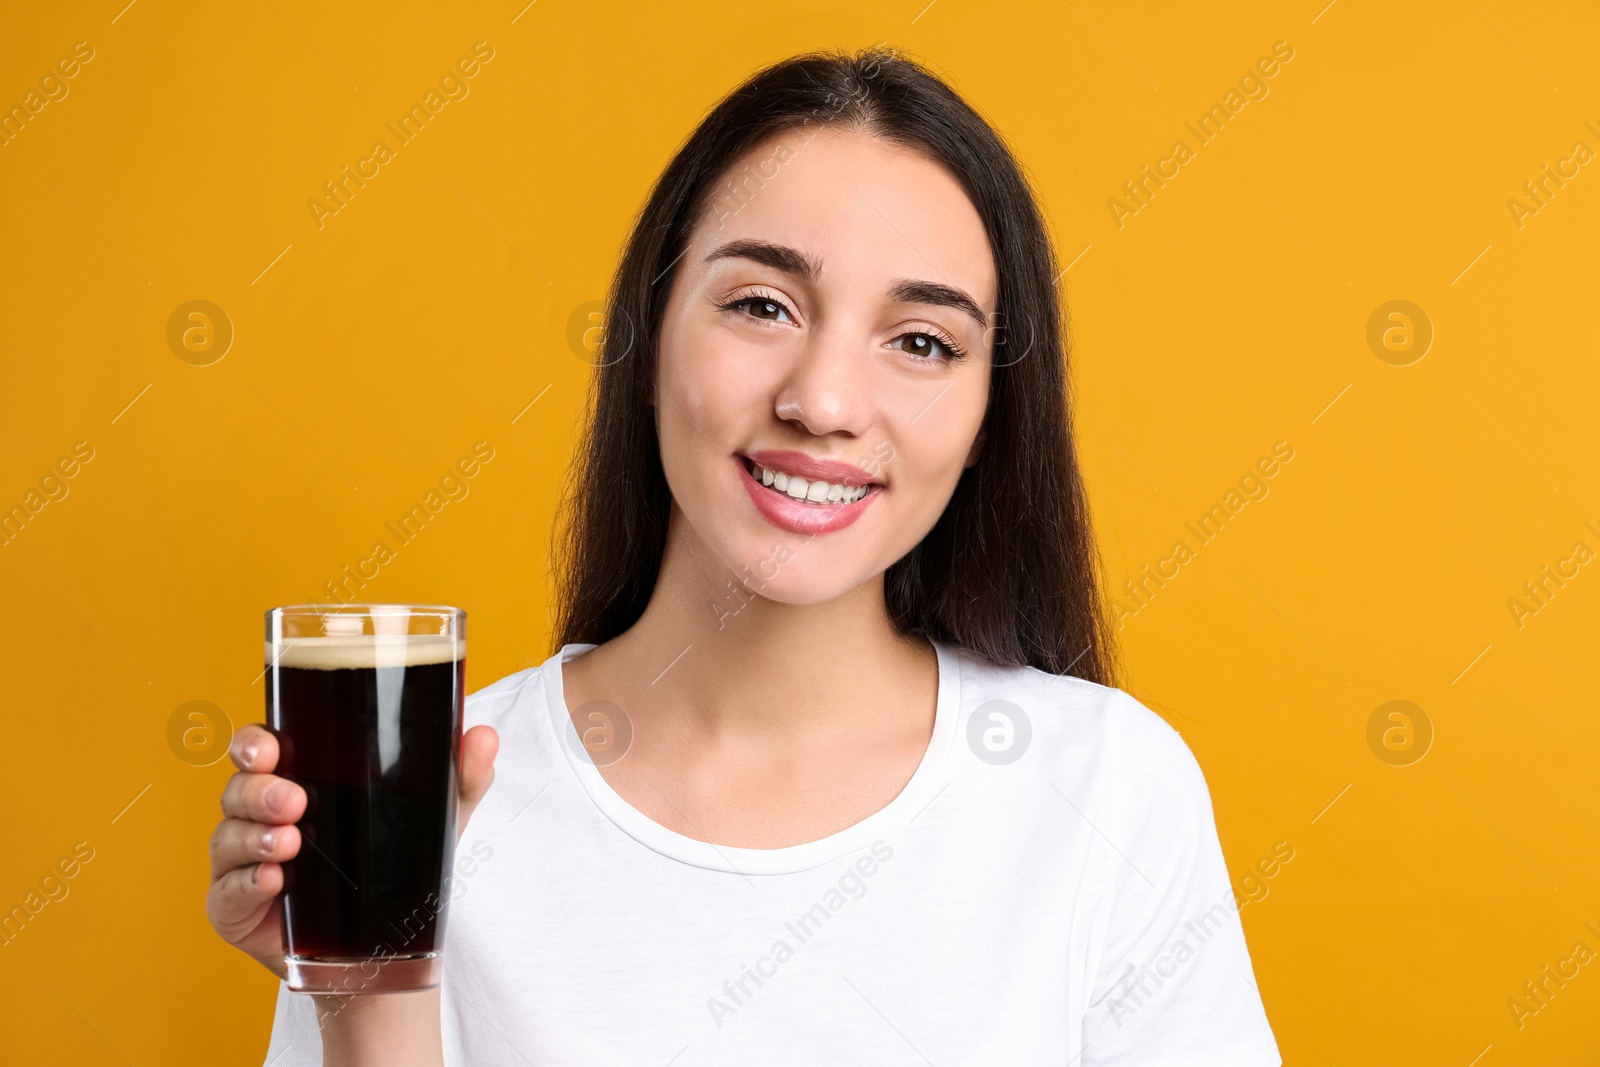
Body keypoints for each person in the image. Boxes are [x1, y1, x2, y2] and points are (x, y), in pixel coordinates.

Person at [208, 47, 1281, 1066]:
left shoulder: (1106, 788)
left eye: (921, 341)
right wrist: (368, 987)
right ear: (645, 337)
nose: (820, 401)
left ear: (991, 414)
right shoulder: (435, 801)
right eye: (761, 305)